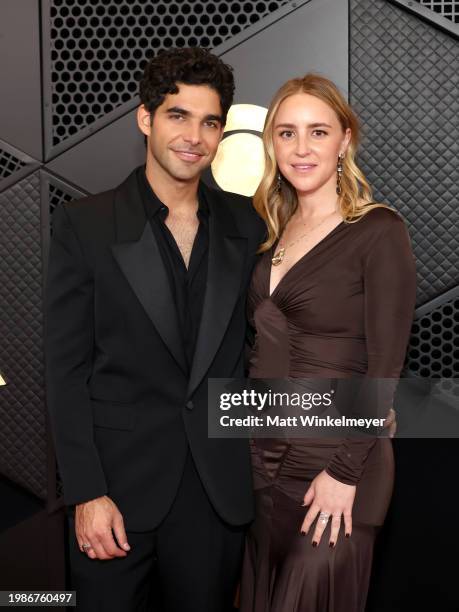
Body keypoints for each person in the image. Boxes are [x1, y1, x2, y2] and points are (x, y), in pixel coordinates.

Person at [45, 47, 265, 612]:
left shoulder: (247, 224)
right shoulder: (85, 224)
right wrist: (87, 493)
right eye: (177, 115)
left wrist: (355, 411)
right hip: (115, 496)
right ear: (145, 119)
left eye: (210, 121)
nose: (194, 136)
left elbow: (260, 351)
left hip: (216, 494)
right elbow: (64, 372)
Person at [239, 74, 417, 612]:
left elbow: (386, 365)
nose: (302, 147)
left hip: (340, 464)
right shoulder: (267, 231)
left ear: (345, 140)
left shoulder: (378, 230)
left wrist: (344, 472)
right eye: (287, 133)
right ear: (272, 144)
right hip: (258, 461)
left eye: (318, 131)